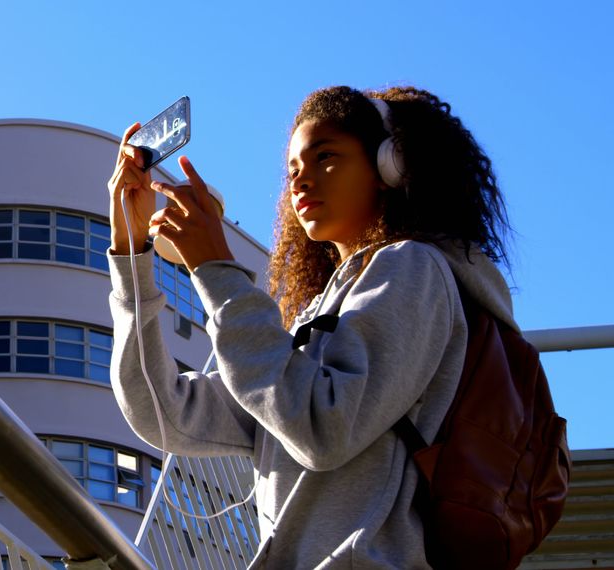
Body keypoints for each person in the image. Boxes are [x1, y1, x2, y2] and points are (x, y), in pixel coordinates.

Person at [106, 86, 514, 569]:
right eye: (294, 169)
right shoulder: (316, 319)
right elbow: (162, 409)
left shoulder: (415, 268)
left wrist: (216, 269)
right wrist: (131, 254)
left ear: (392, 166)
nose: (302, 182)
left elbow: (323, 427)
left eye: (326, 157)